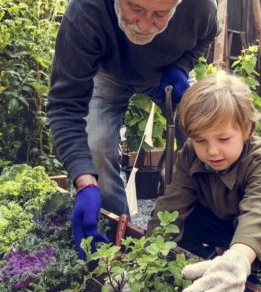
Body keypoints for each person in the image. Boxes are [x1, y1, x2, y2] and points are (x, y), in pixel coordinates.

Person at [46, 0, 219, 259]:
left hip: (169, 72)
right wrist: (83, 179)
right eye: (135, 9)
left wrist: (181, 67)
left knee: (207, 132)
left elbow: (205, 37)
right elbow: (65, 104)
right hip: (108, 74)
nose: (145, 24)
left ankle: (202, 231)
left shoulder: (201, 6)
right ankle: (119, 238)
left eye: (161, 14)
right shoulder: (85, 12)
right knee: (98, 147)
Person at [145, 71, 261, 291]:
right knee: (174, 219)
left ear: (247, 129)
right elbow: (173, 202)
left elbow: (259, 211)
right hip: (226, 218)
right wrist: (146, 255)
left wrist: (238, 259)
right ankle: (211, 266)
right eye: (201, 140)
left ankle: (239, 270)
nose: (212, 151)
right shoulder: (189, 155)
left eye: (223, 139)